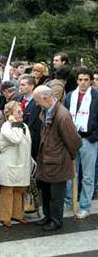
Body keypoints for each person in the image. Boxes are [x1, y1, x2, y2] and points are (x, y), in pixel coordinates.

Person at [33, 85, 82, 231]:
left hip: (57, 161)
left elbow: (75, 142)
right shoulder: (47, 110)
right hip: (47, 159)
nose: (36, 103)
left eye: (37, 100)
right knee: (47, 192)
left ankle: (56, 221)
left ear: (46, 98)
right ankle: (48, 217)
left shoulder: (62, 115)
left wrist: (68, 156)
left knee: (56, 195)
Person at [64, 68, 98, 219]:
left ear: (91, 80)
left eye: (86, 79)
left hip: (89, 139)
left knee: (88, 176)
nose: (83, 83)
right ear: (76, 81)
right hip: (72, 139)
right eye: (80, 79)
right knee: (71, 173)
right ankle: (69, 200)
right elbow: (64, 117)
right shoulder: (70, 96)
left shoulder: (96, 96)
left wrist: (94, 136)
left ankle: (85, 205)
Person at [0, 101, 32, 228]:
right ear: (10, 114)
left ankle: (17, 214)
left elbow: (27, 144)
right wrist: (15, 123)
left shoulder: (24, 126)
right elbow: (16, 140)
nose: (21, 113)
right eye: (18, 111)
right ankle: (5, 217)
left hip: (22, 163)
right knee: (8, 190)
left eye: (21, 111)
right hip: (9, 164)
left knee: (19, 189)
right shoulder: (6, 127)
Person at [18, 74, 42, 160]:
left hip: (31, 142)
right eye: (20, 84)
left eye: (23, 85)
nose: (20, 87)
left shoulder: (38, 103)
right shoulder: (18, 99)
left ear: (31, 86)